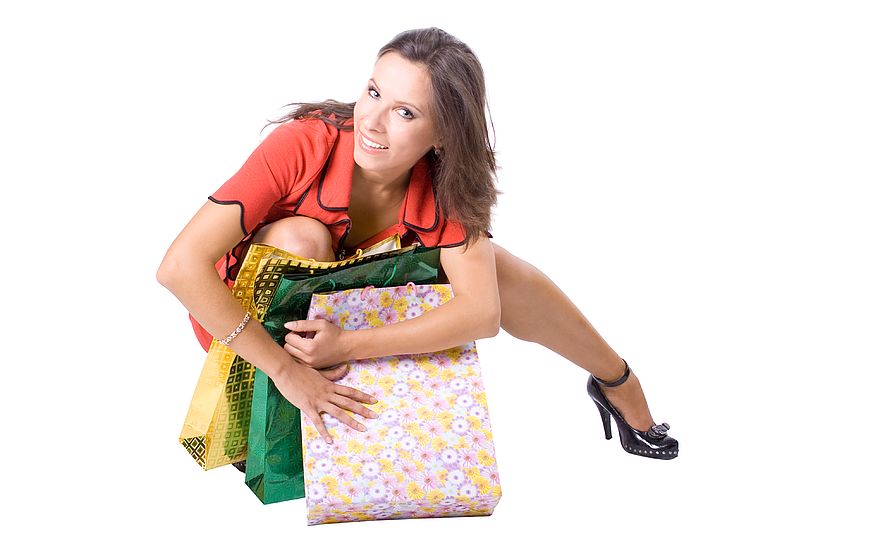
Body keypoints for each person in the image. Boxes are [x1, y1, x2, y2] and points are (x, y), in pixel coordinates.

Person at [157, 27, 679, 461]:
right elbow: (180, 267)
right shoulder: (304, 144)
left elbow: (482, 314)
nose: (373, 122)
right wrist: (286, 370)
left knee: (494, 271)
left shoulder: (448, 182)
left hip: (343, 332)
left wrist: (350, 345)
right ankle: (278, 425)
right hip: (253, 336)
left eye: (406, 113)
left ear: (444, 135)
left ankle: (616, 380)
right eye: (374, 92)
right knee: (303, 235)